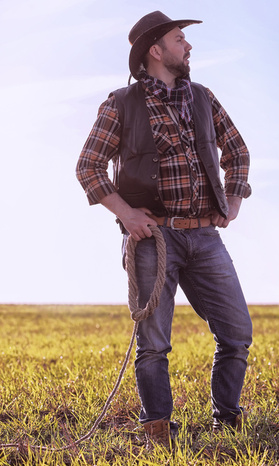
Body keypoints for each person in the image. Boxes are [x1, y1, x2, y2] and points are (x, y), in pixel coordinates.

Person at [76, 11, 253, 447]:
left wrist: (231, 202)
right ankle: (158, 428)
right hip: (153, 239)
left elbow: (238, 152)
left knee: (237, 334)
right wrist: (127, 214)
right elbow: (89, 168)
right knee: (153, 343)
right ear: (155, 51)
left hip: (204, 238)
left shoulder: (203, 98)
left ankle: (227, 418)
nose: (188, 46)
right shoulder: (121, 103)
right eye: (179, 39)